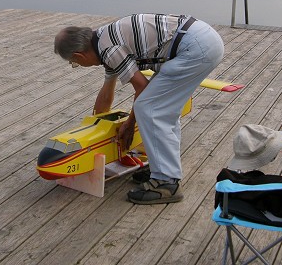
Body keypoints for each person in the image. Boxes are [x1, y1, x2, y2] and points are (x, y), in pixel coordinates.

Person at [54, 13, 224, 204]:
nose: (77, 65)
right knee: (162, 110)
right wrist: (97, 126)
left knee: (149, 108)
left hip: (195, 47)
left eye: (74, 63)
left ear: (79, 55)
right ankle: (162, 168)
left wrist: (129, 123)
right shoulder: (102, 40)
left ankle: (166, 182)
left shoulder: (109, 49)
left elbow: (142, 88)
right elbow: (106, 92)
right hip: (201, 39)